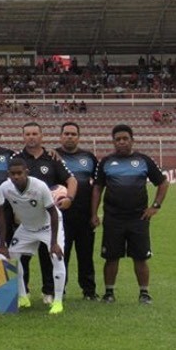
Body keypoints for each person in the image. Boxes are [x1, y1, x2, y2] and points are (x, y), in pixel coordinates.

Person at [91, 124, 168, 305]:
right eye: (118, 139)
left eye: (125, 138)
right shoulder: (106, 162)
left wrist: (155, 206)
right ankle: (109, 293)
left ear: (132, 140)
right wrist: (94, 213)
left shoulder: (143, 160)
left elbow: (163, 183)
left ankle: (144, 293)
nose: (122, 142)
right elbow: (97, 189)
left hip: (138, 218)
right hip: (113, 218)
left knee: (140, 257)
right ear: (114, 142)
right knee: (111, 257)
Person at [13, 121, 77, 305]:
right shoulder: (17, 158)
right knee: (20, 256)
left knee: (48, 255)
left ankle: (49, 292)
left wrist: (69, 199)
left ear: (41, 136)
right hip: (26, 218)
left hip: (49, 217)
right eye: (28, 134)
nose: (31, 137)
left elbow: (71, 180)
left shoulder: (52, 158)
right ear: (23, 136)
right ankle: (22, 292)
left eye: (35, 134)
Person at [1, 158, 66, 315]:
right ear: (8, 174)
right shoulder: (5, 188)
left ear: (26, 173)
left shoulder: (39, 186)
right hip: (27, 228)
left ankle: (57, 301)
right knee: (12, 256)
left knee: (57, 257)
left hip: (49, 226)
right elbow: (2, 211)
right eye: (13, 174)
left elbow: (53, 213)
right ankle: (23, 297)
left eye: (19, 173)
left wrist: (53, 243)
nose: (16, 177)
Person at [56, 122, 100, 300]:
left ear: (78, 137)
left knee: (86, 255)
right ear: (60, 136)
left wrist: (95, 213)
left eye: (73, 134)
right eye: (66, 133)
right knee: (61, 255)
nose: (69, 137)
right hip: (60, 216)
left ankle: (89, 291)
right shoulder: (53, 155)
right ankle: (60, 290)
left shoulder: (89, 157)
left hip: (84, 215)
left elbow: (97, 185)